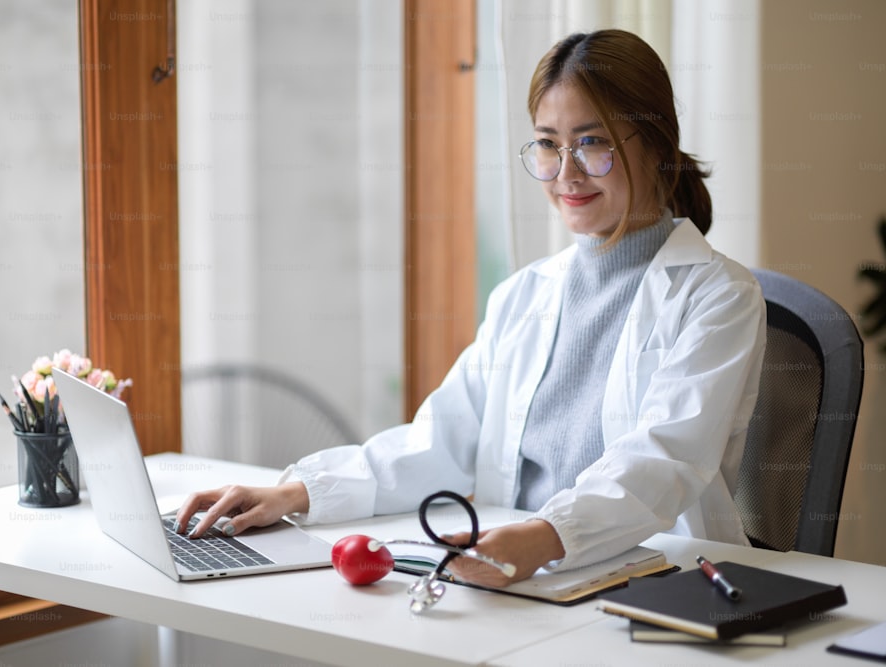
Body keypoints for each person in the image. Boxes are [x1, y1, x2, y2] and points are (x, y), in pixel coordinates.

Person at [176, 29, 766, 587]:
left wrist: (545, 537)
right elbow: (443, 439)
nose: (566, 172)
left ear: (657, 146)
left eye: (593, 142)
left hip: (653, 579)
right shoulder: (524, 294)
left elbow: (662, 462)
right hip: (519, 572)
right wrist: (299, 492)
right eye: (547, 144)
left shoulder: (719, 297)